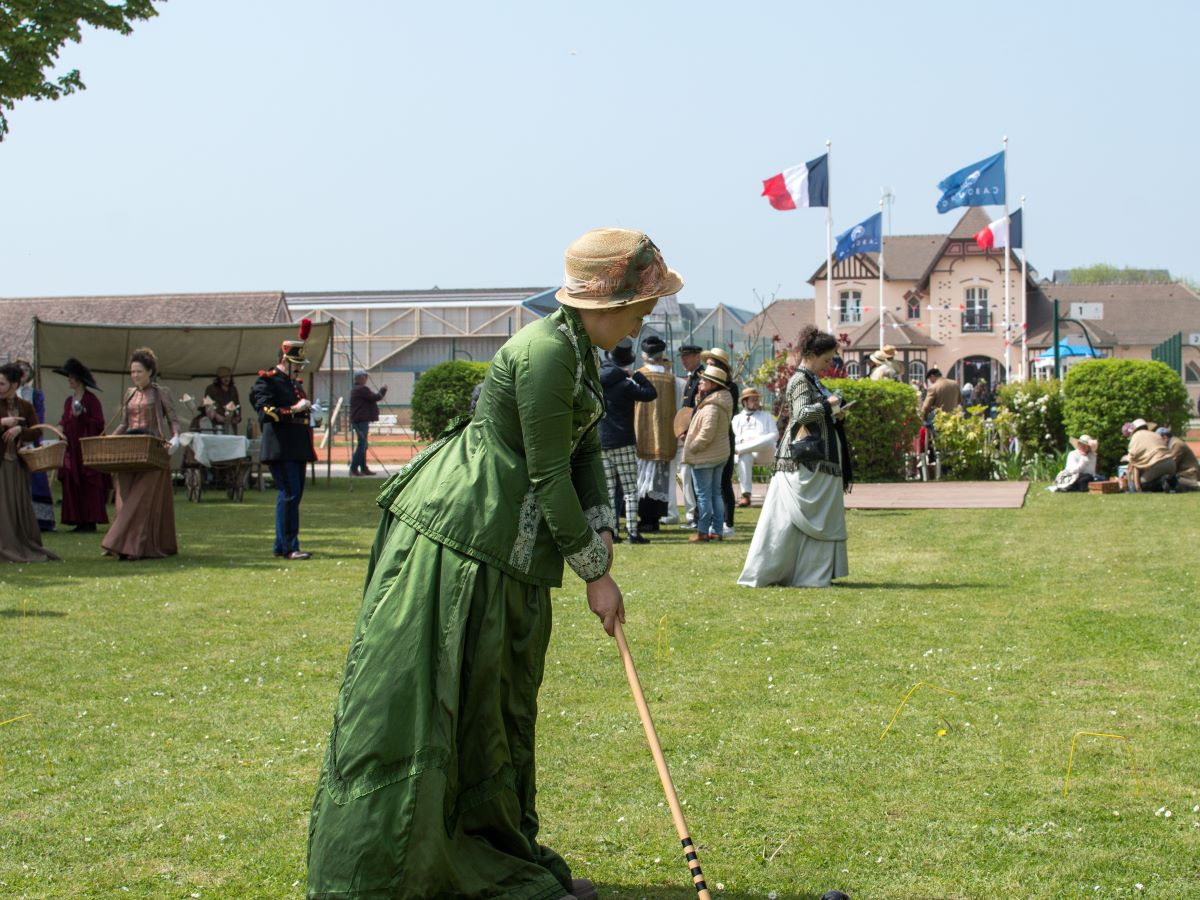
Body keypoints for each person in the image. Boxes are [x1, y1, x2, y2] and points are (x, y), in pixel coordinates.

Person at [306, 226, 682, 899]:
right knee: (433, 706)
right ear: (604, 303)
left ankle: (492, 847)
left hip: (505, 546)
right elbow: (546, 470)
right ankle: (400, 871)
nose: (642, 321)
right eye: (638, 307)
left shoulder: (578, 351)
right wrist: (595, 573)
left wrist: (600, 522)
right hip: (460, 541)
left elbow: (582, 447)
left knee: (492, 706)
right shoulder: (545, 353)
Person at [739, 324, 852, 587]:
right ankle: (802, 572)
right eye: (826, 360)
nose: (828, 365)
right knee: (793, 518)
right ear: (811, 355)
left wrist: (835, 412)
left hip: (816, 459)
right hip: (804, 460)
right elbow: (801, 414)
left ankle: (812, 572)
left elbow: (814, 413)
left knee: (815, 516)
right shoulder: (801, 380)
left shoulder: (811, 379)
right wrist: (829, 406)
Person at [101, 347, 180, 561]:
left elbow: (173, 420)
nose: (135, 375)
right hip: (130, 449)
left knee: (142, 500)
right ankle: (121, 545)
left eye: (139, 371)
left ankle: (135, 547)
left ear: (150, 371)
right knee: (124, 496)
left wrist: (175, 438)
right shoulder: (130, 393)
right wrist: (109, 439)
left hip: (153, 450)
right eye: (132, 371)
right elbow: (124, 424)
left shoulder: (161, 392)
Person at [250, 320, 318, 560]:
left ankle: (283, 545)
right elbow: (265, 412)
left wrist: (311, 413)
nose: (298, 370)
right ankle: (290, 547)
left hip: (297, 446)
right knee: (289, 495)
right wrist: (295, 409)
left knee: (294, 496)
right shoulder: (267, 381)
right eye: (295, 365)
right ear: (285, 361)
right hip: (281, 447)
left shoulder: (293, 384)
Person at [0, 363, 60, 563]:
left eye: (2, 383)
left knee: (17, 504)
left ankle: (18, 541)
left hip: (17, 464)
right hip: (1, 463)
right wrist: (3, 423)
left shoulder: (25, 406)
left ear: (14, 384)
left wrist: (20, 430)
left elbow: (37, 431)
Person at [600, 339, 657, 543]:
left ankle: (612, 532)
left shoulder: (598, 383)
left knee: (608, 491)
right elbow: (651, 393)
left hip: (602, 441)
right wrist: (636, 375)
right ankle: (632, 532)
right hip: (623, 441)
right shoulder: (625, 385)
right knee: (630, 490)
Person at [54, 358, 109, 532]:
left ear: (79, 379)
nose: (69, 380)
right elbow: (65, 419)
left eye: (71, 377)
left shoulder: (92, 400)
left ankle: (90, 520)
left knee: (88, 480)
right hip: (71, 446)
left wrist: (83, 415)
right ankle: (78, 519)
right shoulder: (68, 401)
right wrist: (60, 428)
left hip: (86, 447)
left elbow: (99, 423)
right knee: (72, 480)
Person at [632, 334, 680, 533]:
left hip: (643, 433)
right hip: (666, 434)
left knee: (642, 477)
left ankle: (644, 519)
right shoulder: (671, 379)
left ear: (644, 355)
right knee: (660, 479)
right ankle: (655, 519)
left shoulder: (638, 375)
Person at [682, 363, 733, 542]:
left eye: (704, 380)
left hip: (705, 456)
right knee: (715, 493)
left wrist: (692, 446)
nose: (700, 382)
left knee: (704, 495)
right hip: (719, 453)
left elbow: (707, 432)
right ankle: (717, 531)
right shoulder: (719, 401)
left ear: (713, 384)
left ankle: (703, 531)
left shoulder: (712, 406)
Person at [15, 361, 55, 531]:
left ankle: (41, 521)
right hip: (11, 441)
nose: (22, 373)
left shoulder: (35, 394)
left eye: (26, 370)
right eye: (19, 370)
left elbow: (38, 418)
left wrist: (28, 434)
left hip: (30, 440)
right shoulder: (8, 392)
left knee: (37, 478)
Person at [732, 387, 776, 507]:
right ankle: (746, 495)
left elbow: (774, 435)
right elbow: (732, 439)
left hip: (764, 452)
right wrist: (743, 440)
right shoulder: (736, 419)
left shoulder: (766, 416)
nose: (757, 402)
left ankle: (742, 449)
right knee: (745, 456)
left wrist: (755, 440)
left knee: (769, 440)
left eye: (757, 399)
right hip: (745, 454)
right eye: (753, 400)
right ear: (745, 402)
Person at [676, 342, 705, 526]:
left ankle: (697, 515)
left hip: (695, 434)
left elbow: (698, 409)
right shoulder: (692, 377)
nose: (683, 360)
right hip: (688, 433)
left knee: (693, 476)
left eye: (687, 356)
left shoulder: (701, 377)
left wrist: (688, 431)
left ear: (697, 356)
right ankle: (694, 515)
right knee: (687, 475)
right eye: (682, 357)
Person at [349, 369, 388, 476]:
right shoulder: (362, 389)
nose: (366, 378)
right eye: (365, 376)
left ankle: (363, 468)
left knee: (363, 444)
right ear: (361, 378)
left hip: (358, 419)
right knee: (362, 444)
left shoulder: (356, 389)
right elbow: (376, 397)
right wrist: (383, 390)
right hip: (361, 420)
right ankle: (353, 468)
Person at [1125, 418, 1177, 492]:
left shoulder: (1135, 439)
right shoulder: (1155, 434)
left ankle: (1162, 482)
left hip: (1157, 464)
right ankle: (1171, 481)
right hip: (1171, 463)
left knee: (1143, 484)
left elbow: (1134, 464)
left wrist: (1138, 488)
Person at [192, 366, 242, 434]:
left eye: (228, 377)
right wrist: (216, 415)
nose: (226, 379)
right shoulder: (211, 389)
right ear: (219, 378)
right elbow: (208, 405)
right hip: (216, 424)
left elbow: (237, 405)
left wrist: (238, 417)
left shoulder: (233, 389)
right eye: (223, 377)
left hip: (230, 424)